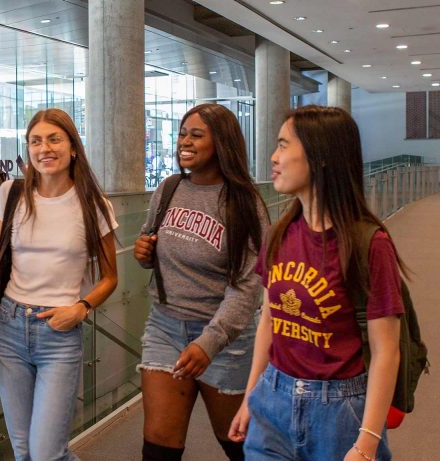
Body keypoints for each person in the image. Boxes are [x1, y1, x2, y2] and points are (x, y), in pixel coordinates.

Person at [228, 105, 404, 461]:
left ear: (320, 156)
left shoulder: (368, 244)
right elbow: (270, 321)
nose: (274, 158)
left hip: (339, 412)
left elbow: (386, 350)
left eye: (283, 145)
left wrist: (367, 442)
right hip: (273, 399)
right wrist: (251, 396)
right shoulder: (280, 232)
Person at [0, 108, 118, 460]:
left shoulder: (93, 205)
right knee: (24, 449)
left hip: (59, 332)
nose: (44, 148)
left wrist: (81, 308)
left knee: (45, 453)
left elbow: (111, 278)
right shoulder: (11, 193)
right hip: (8, 327)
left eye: (54, 139)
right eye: (36, 141)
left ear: (72, 147)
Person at [134, 103, 268, 461]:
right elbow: (151, 240)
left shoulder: (244, 202)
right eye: (181, 133)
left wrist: (210, 342)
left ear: (221, 142)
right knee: (159, 444)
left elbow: (248, 285)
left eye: (196, 135)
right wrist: (145, 252)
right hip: (165, 325)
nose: (184, 142)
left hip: (225, 336)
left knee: (238, 442)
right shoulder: (169, 188)